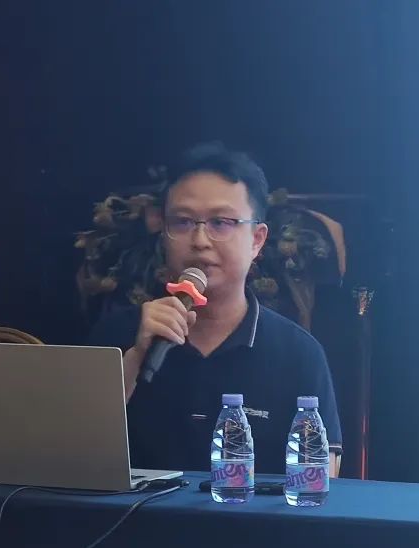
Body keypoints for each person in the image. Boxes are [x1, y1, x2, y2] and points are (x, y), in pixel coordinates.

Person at [88, 142, 343, 476]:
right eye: (182, 222)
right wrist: (134, 362)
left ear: (257, 240)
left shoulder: (299, 354)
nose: (199, 240)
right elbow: (69, 460)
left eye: (221, 222)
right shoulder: (116, 336)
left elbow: (321, 479)